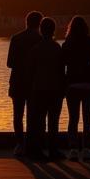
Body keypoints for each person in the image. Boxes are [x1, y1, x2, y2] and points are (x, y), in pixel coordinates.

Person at [62, 15, 90, 161]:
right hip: (89, 84)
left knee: (73, 118)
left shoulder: (67, 43)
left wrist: (62, 85)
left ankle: (73, 149)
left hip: (72, 84)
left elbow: (62, 66)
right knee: (88, 118)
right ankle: (86, 149)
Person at [26, 17, 65, 161]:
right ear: (53, 30)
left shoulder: (35, 49)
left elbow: (30, 71)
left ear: (41, 30)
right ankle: (53, 150)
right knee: (53, 121)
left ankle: (38, 151)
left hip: (39, 89)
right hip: (55, 89)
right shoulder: (57, 48)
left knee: (39, 122)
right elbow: (62, 70)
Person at [7, 11, 42, 157]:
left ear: (26, 22)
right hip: (34, 83)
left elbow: (10, 63)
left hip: (17, 81)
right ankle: (31, 145)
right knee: (33, 116)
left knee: (18, 114)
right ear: (39, 24)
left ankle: (20, 144)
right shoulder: (40, 39)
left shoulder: (16, 38)